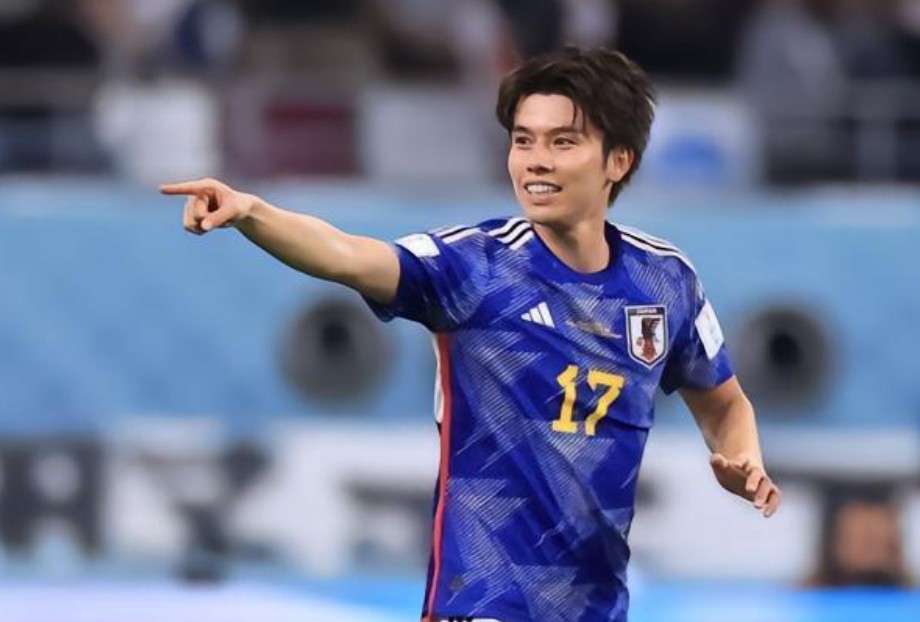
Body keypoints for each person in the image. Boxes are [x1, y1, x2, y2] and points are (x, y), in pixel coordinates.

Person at [161, 46, 779, 622]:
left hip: (596, 606)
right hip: (483, 601)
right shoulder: (474, 266)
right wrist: (254, 214)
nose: (536, 161)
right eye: (523, 140)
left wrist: (743, 457)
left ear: (620, 160)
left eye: (563, 142)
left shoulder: (664, 280)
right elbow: (349, 255)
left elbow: (723, 403)